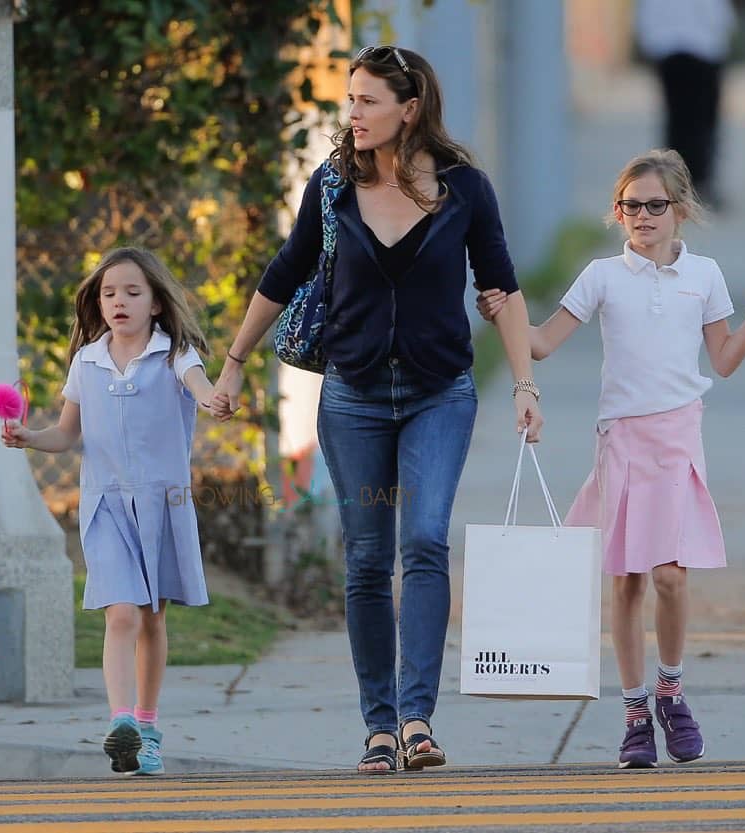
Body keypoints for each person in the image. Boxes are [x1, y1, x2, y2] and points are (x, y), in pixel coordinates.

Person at [211, 45, 543, 773]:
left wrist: (524, 384)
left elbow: (503, 285)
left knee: (423, 539)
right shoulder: (331, 186)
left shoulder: (465, 189)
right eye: (350, 100)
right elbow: (286, 269)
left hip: (439, 394)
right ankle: (380, 725)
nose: (353, 114)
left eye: (367, 100)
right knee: (366, 557)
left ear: (410, 108)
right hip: (355, 397)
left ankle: (419, 717)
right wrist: (233, 362)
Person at [476, 148, 745, 768]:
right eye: (630, 206)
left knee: (671, 573)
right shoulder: (601, 277)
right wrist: (505, 312)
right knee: (628, 579)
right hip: (622, 438)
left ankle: (671, 687)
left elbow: (721, 362)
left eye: (654, 205)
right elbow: (540, 343)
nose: (642, 215)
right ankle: (635, 709)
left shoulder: (705, 276)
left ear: (680, 211)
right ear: (617, 213)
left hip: (677, 435)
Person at [1, 247, 215, 776]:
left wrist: (216, 398)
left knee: (152, 617)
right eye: (109, 293)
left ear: (156, 304)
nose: (119, 301)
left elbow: (202, 391)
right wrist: (30, 437)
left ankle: (147, 726)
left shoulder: (175, 355)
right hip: (106, 507)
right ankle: (121, 722)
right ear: (99, 304)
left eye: (132, 292)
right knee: (120, 614)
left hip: (162, 505)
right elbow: (67, 434)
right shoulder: (86, 362)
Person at [635, 0, 736, 207]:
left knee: (679, 120)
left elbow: (647, 14)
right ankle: (696, 183)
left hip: (672, 49)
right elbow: (718, 14)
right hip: (701, 49)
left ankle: (676, 183)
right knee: (701, 121)